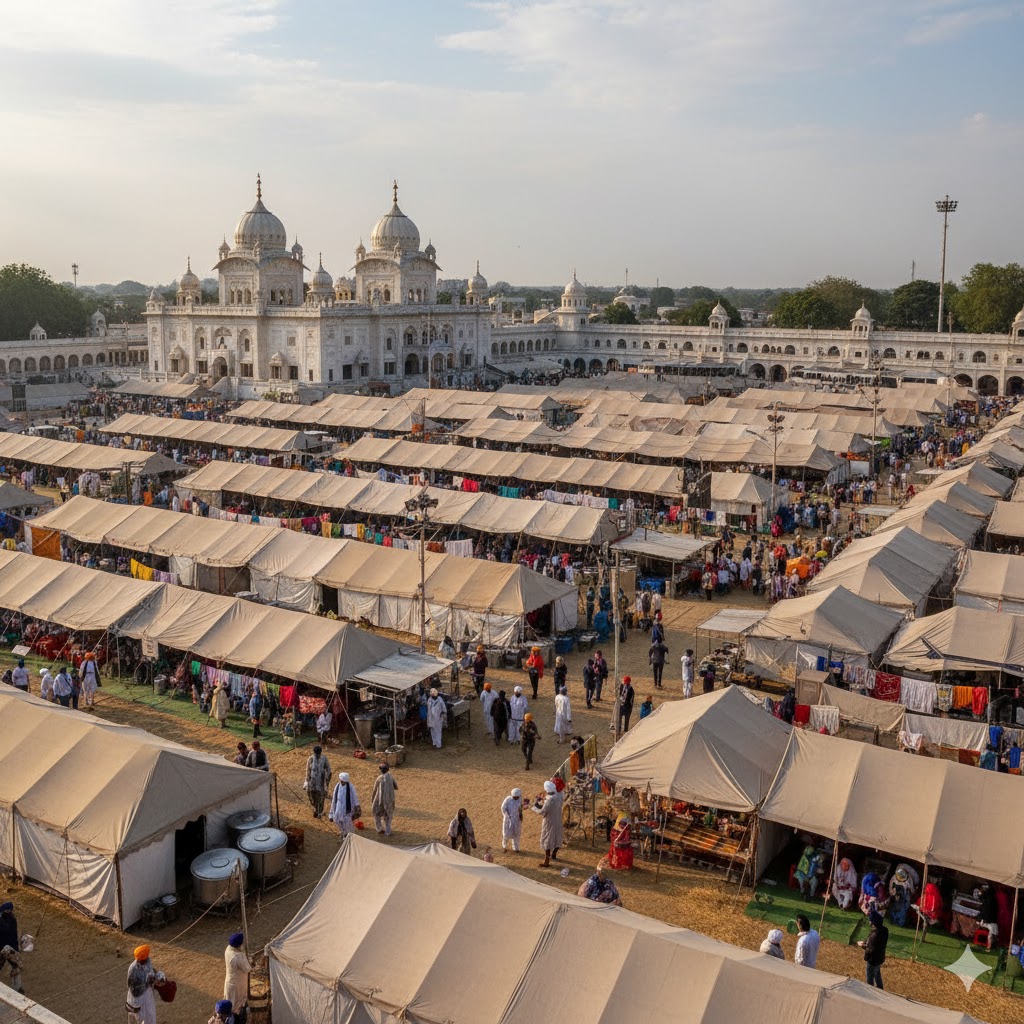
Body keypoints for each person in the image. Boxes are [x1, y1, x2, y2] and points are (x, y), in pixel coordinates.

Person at [125, 944, 161, 1024]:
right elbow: (134, 990)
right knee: (142, 1019)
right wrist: (149, 982)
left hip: (145, 997)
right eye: (144, 958)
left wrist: (156, 975)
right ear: (140, 959)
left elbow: (150, 969)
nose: (147, 959)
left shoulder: (146, 961)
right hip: (138, 1000)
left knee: (148, 1017)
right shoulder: (133, 970)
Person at [532, 780, 564, 867]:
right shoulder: (559, 795)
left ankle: (547, 860)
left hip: (549, 822)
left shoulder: (549, 800)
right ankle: (554, 855)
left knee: (547, 840)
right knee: (557, 837)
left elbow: (543, 812)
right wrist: (544, 799)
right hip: (557, 819)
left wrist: (534, 807)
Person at [223, 933, 251, 1016]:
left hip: (229, 981)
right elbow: (248, 968)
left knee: (229, 1000)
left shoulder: (228, 950)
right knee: (237, 1004)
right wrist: (249, 961)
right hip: (238, 983)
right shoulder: (238, 957)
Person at [858, 910, 888, 989]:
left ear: (873, 922)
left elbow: (870, 949)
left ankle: (871, 992)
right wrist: (865, 942)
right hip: (880, 958)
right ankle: (880, 989)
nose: (869, 922)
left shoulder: (875, 934)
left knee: (870, 978)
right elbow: (873, 943)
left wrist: (862, 945)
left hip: (872, 960)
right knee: (877, 975)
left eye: (870, 920)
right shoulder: (884, 930)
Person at [888, 862, 920, 927]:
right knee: (900, 910)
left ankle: (895, 921)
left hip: (900, 897)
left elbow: (890, 885)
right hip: (902, 897)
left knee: (897, 909)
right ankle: (898, 922)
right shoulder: (907, 879)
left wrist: (891, 892)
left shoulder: (896, 877)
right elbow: (912, 889)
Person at [304, 744, 332, 819]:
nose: (317, 755)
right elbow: (308, 771)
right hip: (312, 784)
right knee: (312, 798)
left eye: (318, 754)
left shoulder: (324, 759)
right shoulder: (310, 759)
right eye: (315, 753)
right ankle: (316, 809)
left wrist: (326, 783)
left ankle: (319, 812)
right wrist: (306, 781)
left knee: (320, 799)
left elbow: (329, 771)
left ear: (320, 753)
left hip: (321, 784)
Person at [0, 902, 22, 993]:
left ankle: (17, 988)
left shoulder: (12, 920)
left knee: (16, 966)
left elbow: (13, 934)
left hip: (8, 949)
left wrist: (16, 948)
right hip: (2, 948)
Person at [371, 761, 398, 836]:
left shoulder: (379, 778)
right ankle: (388, 831)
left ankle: (379, 829)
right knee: (388, 816)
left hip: (380, 800)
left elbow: (374, 789)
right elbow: (396, 787)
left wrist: (373, 799)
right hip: (389, 800)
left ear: (380, 770)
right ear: (388, 769)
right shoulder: (391, 777)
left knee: (377, 815)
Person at [501, 787, 523, 852]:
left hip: (517, 820)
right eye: (515, 797)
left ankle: (516, 848)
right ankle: (504, 846)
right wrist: (507, 816)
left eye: (518, 797)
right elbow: (503, 808)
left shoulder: (520, 799)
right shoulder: (508, 800)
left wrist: (521, 815)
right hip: (508, 819)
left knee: (516, 834)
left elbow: (520, 809)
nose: (517, 798)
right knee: (506, 834)